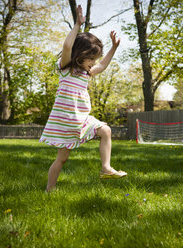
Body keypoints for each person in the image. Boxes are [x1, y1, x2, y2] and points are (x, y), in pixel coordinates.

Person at [40, 5, 127, 192]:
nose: (94, 63)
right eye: (92, 59)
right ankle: (50, 187)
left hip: (82, 120)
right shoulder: (66, 69)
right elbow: (66, 46)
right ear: (81, 55)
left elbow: (103, 65)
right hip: (66, 121)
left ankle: (106, 168)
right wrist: (78, 24)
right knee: (61, 159)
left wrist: (113, 48)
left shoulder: (86, 74)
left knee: (106, 131)